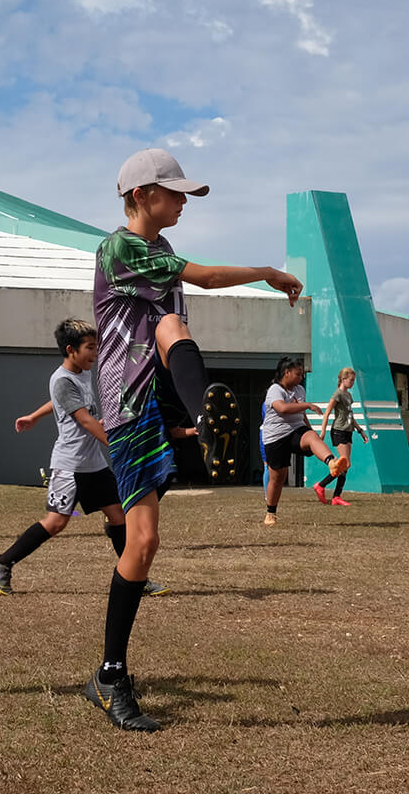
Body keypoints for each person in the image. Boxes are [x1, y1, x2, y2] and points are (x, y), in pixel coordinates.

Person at [85, 148, 301, 731]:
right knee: (144, 540)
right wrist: (266, 270)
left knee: (145, 544)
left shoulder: (160, 253)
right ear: (139, 196)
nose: (183, 201)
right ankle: (109, 675)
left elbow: (170, 330)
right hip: (128, 408)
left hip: (156, 403)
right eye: (173, 191)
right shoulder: (119, 248)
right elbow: (199, 283)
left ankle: (106, 674)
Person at [0, 319, 167, 598]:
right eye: (90, 348)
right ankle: (2, 561)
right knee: (56, 522)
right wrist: (117, 446)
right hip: (69, 465)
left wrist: (34, 415)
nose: (95, 353)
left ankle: (135, 579)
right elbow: (84, 419)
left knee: (119, 517)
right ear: (71, 350)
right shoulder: (62, 380)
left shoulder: (80, 374)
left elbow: (62, 403)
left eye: (96, 347)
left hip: (93, 463)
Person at [261, 357, 339, 525]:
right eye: (298, 374)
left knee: (311, 437)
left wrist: (311, 431)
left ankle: (332, 463)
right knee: (278, 477)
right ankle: (271, 512)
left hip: (296, 430)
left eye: (302, 374)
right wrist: (308, 405)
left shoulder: (299, 390)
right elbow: (282, 408)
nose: (301, 377)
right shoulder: (275, 389)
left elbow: (301, 416)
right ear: (286, 372)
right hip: (275, 436)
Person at [313, 367, 362, 506]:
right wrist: (322, 432)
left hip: (348, 431)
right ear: (343, 379)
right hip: (338, 431)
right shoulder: (337, 394)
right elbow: (327, 412)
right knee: (345, 464)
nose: (353, 383)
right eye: (351, 380)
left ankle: (335, 496)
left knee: (345, 465)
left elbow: (350, 416)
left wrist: (360, 430)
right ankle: (323, 487)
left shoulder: (348, 395)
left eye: (354, 380)